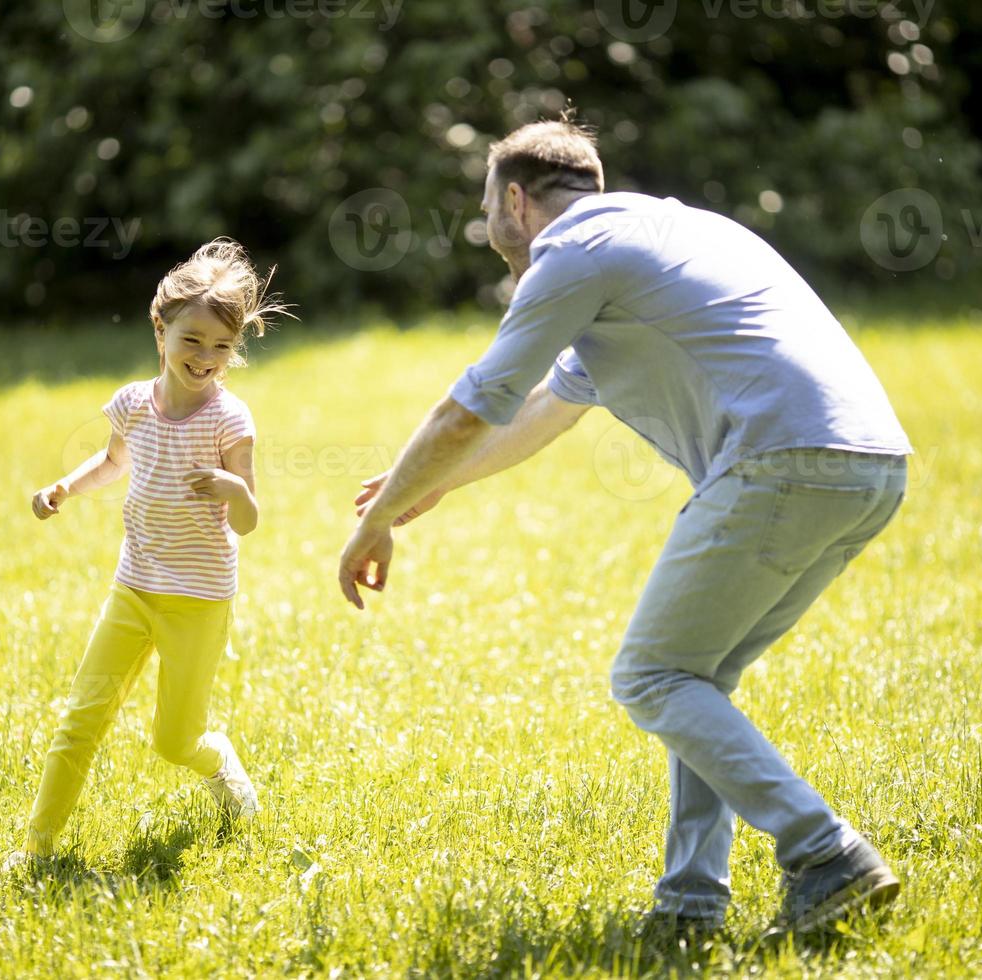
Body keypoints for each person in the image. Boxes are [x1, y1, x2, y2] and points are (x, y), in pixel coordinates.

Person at [340, 120, 912, 938]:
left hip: (778, 463)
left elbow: (470, 408)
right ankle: (688, 906)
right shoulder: (671, 233)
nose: (489, 231)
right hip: (870, 465)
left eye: (487, 210)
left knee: (652, 678)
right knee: (695, 679)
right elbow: (545, 410)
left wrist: (379, 518)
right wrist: (426, 492)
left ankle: (828, 857)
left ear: (514, 199)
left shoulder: (571, 256)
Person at [4, 239, 286, 871]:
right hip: (132, 590)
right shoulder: (133, 403)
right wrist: (63, 490)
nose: (205, 358)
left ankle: (222, 766)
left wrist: (233, 487)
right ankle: (36, 851)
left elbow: (248, 520)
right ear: (161, 330)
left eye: (219, 346)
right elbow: (112, 462)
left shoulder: (230, 421)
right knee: (81, 720)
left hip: (198, 601)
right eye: (192, 340)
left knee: (175, 740)